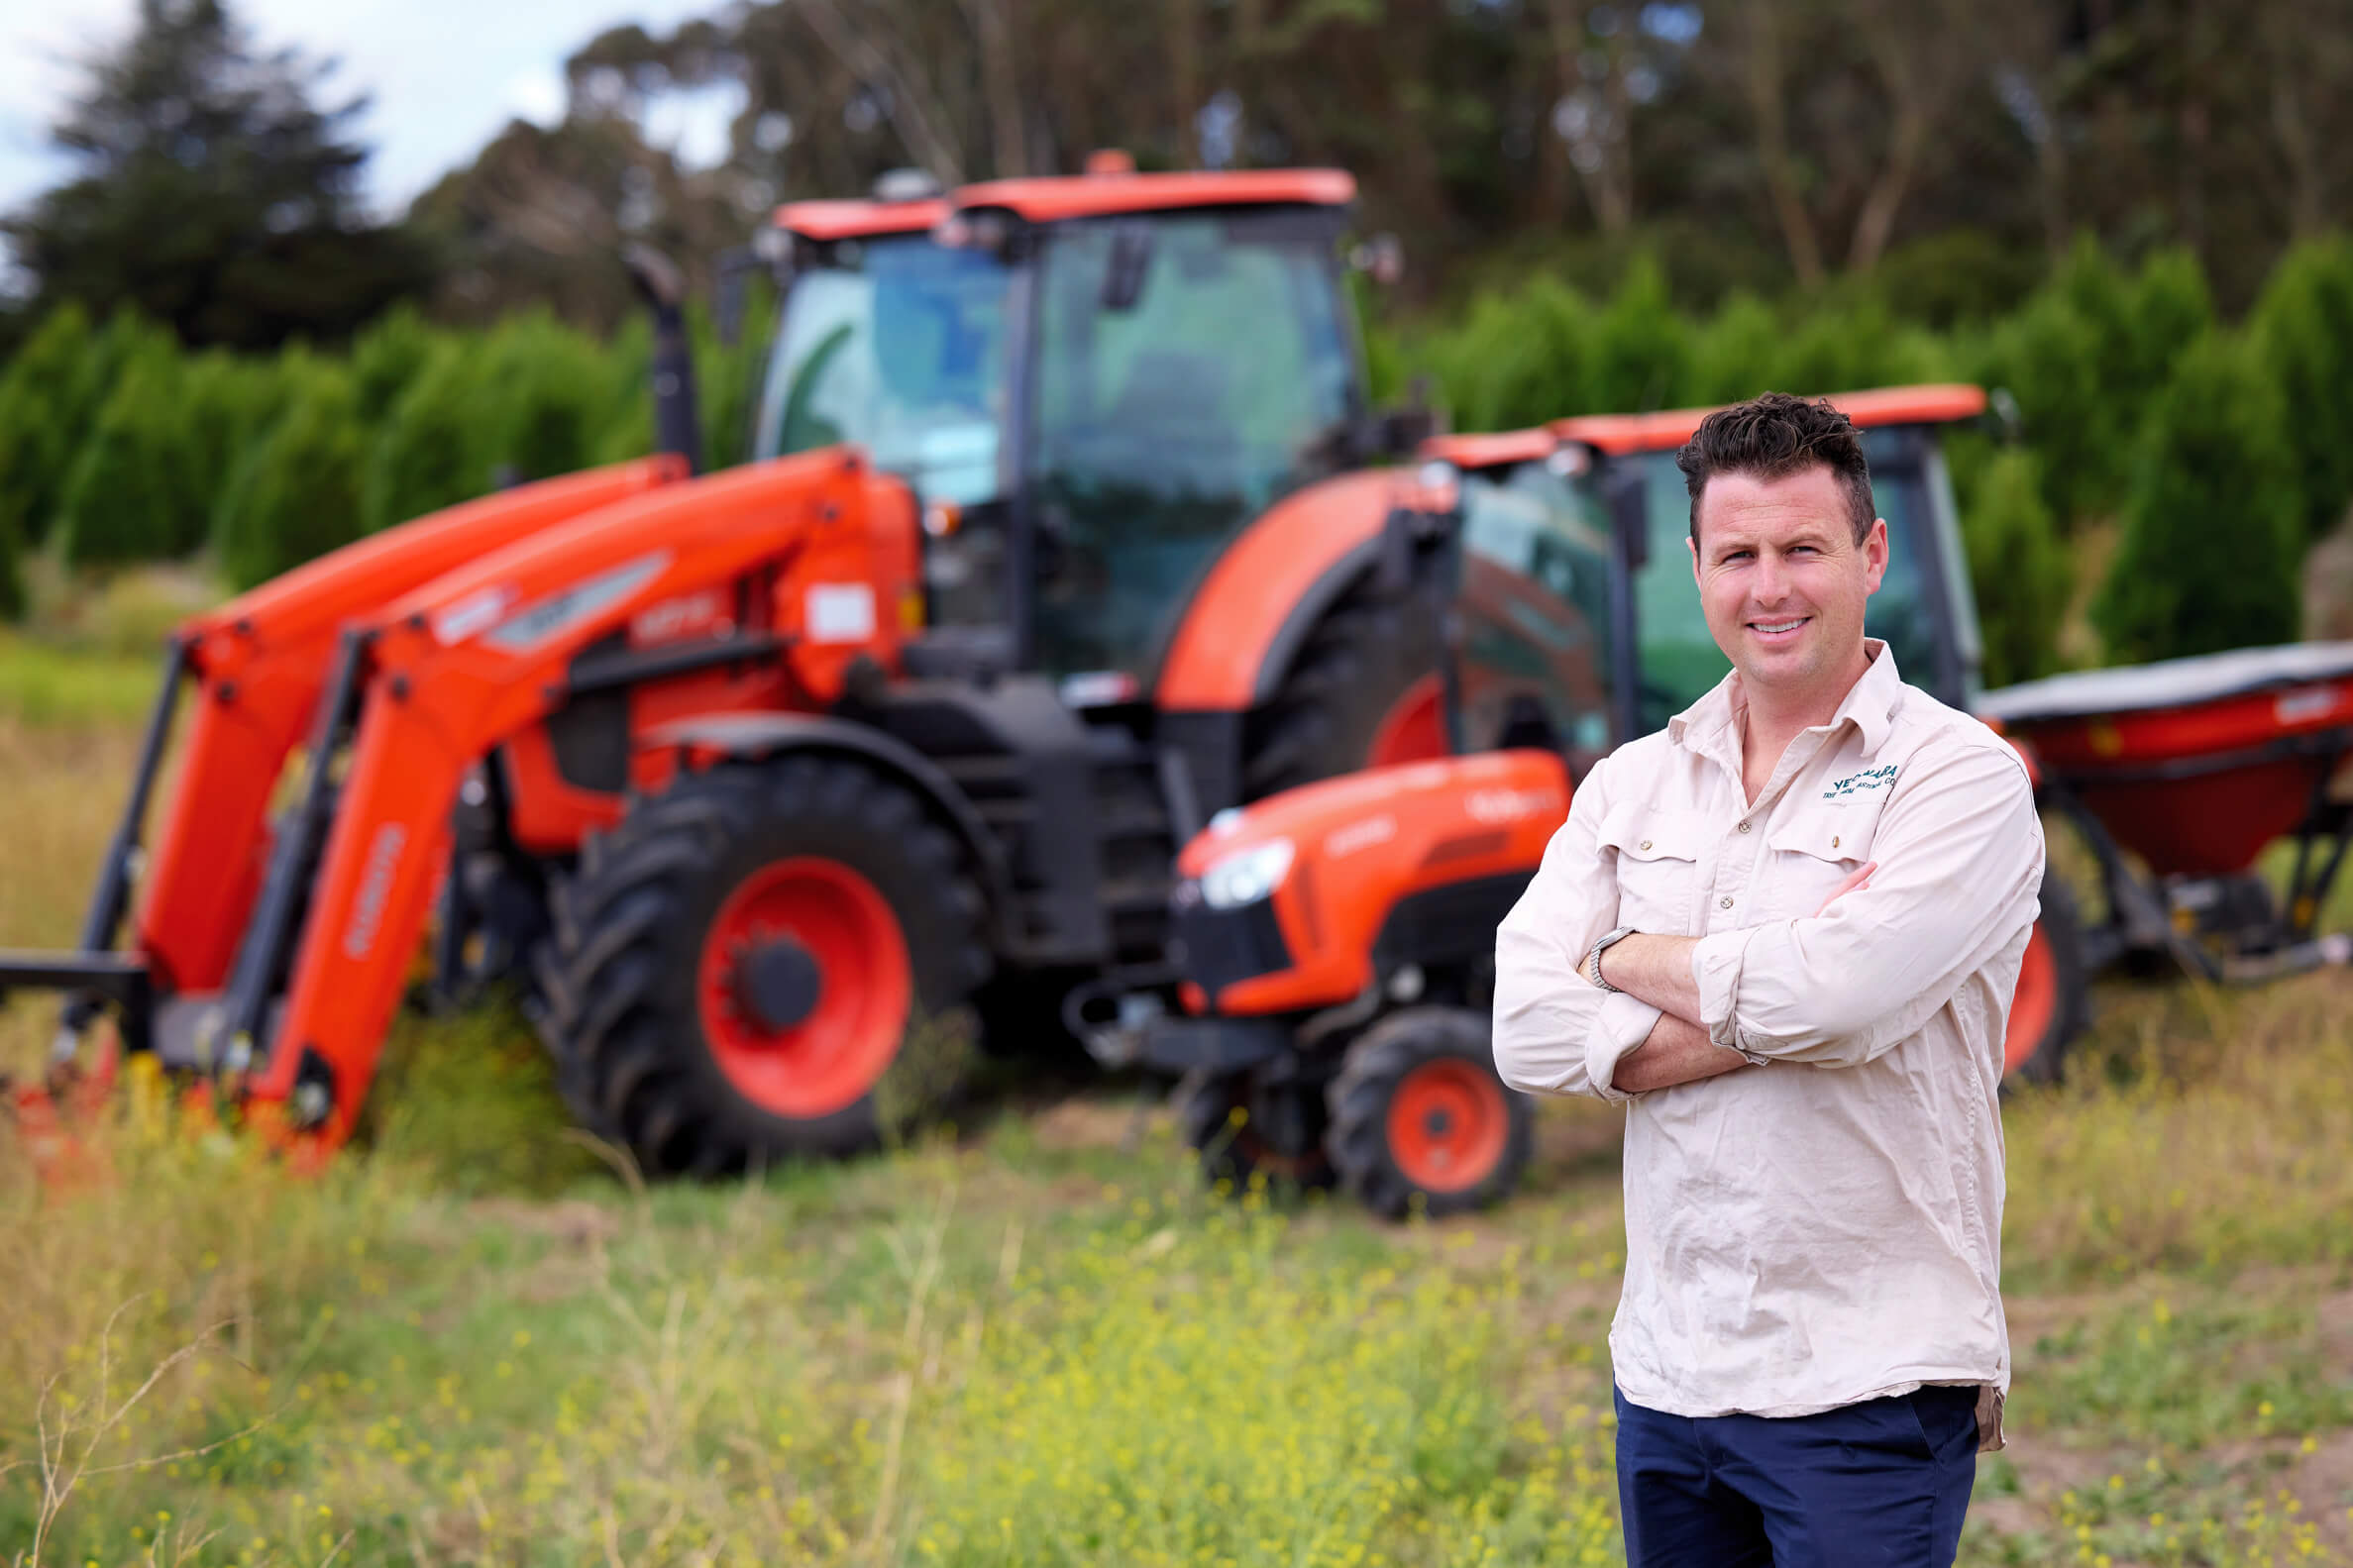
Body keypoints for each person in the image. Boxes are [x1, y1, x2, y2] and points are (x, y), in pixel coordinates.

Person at [1491, 392, 2043, 1567]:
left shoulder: (1960, 780)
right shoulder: (1631, 785)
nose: (1769, 586)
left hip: (1868, 1378)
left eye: (1802, 548)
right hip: (1669, 1371)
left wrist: (1615, 958)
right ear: (1693, 568)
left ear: (1869, 554)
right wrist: (1797, 996)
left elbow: (1829, 997)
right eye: (1737, 554)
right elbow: (1524, 1025)